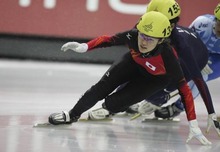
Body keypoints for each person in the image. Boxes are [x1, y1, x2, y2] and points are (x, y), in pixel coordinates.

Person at [48, 11, 211, 145]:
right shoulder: (133, 36)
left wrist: (193, 123)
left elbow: (186, 91)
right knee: (100, 88)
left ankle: (111, 108)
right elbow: (109, 40)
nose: (144, 42)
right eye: (142, 35)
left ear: (161, 40)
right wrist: (84, 47)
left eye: (150, 38)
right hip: (134, 63)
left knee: (112, 103)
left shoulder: (170, 60)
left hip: (154, 80)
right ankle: (71, 115)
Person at [89, 0, 220, 136]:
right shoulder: (201, 23)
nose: (219, 28)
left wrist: (157, 99)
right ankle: (124, 101)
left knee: (196, 77)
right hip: (194, 53)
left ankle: (177, 107)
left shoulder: (179, 39)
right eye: (218, 23)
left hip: (212, 60)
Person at [151, 1, 220, 136]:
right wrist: (199, 60)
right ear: (215, 19)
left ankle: (178, 107)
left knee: (201, 76)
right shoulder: (202, 23)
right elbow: (186, 42)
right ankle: (153, 96)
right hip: (199, 51)